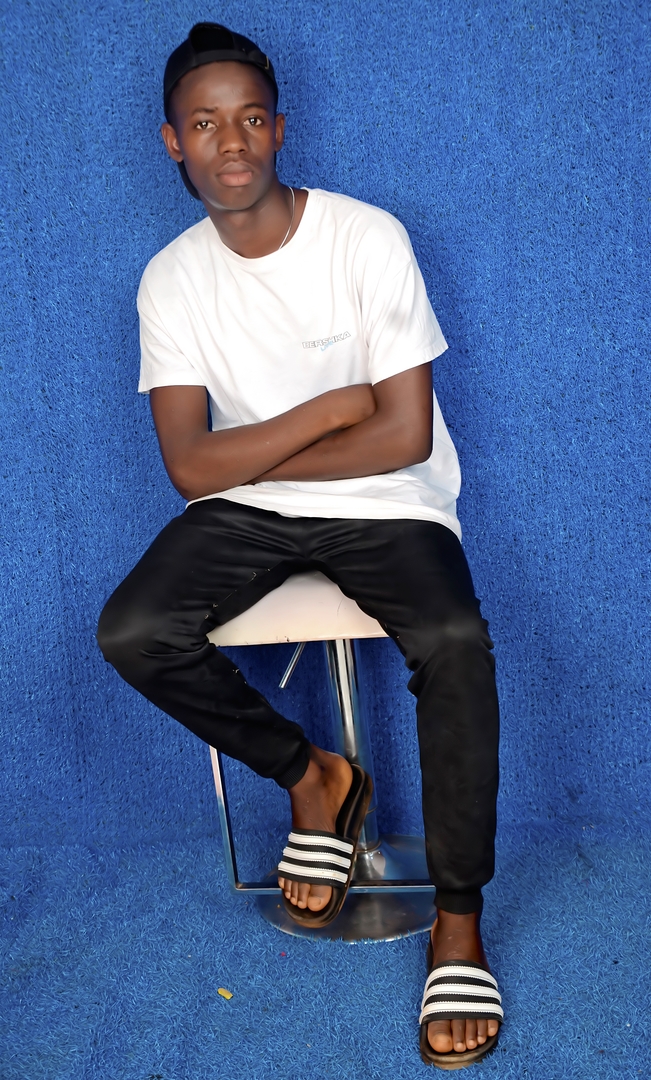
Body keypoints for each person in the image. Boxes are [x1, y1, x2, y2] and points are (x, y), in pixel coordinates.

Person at [97, 22, 503, 1069]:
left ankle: (458, 922)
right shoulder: (170, 280)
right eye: (204, 123)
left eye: (249, 118)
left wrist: (253, 455)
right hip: (249, 507)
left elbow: (402, 434)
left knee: (454, 642)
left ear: (279, 129)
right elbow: (190, 469)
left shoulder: (367, 238)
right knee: (135, 631)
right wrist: (327, 407)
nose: (230, 140)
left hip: (391, 500)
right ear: (172, 143)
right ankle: (311, 775)